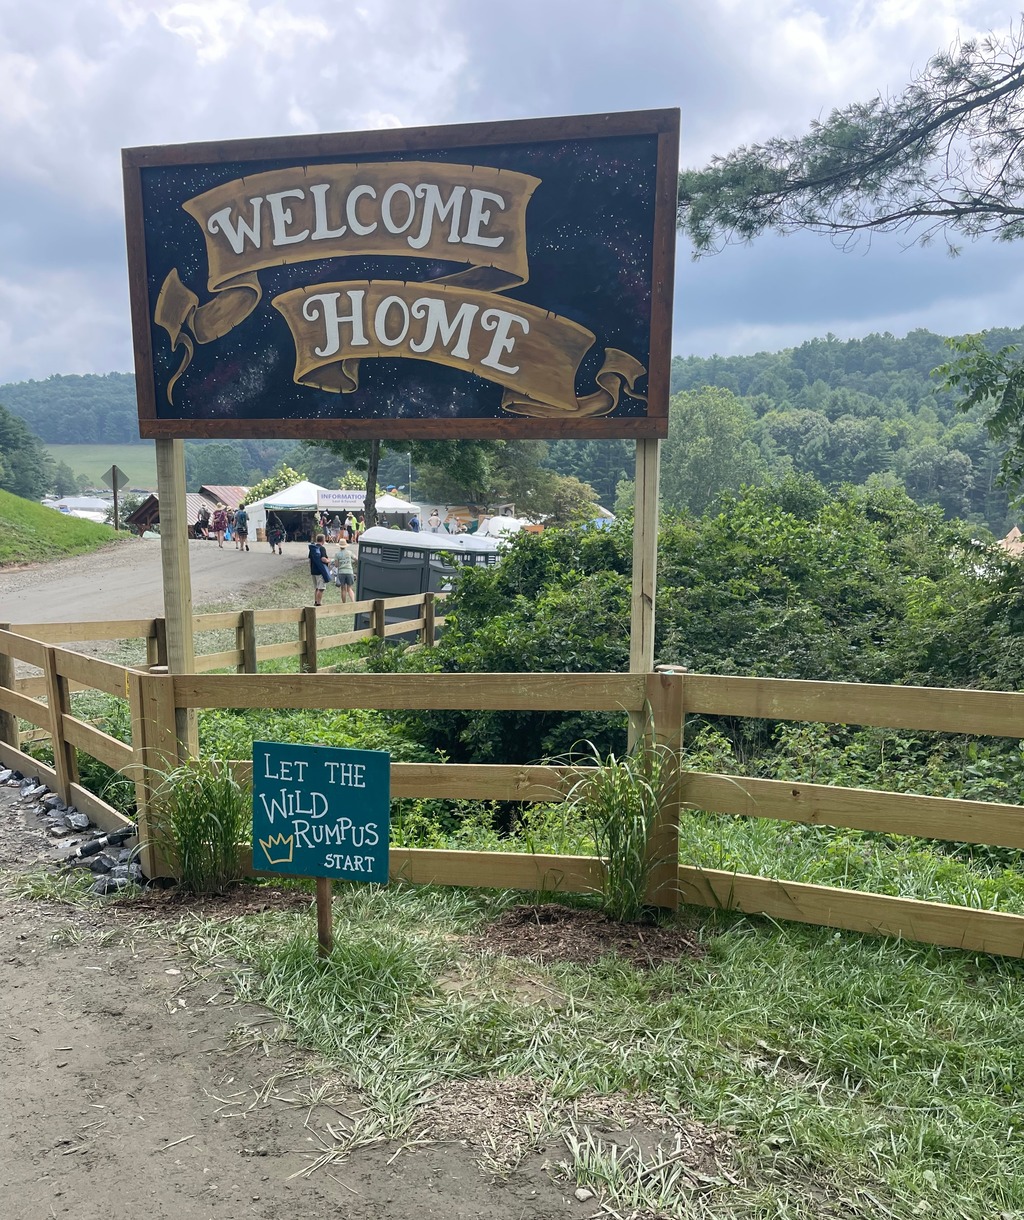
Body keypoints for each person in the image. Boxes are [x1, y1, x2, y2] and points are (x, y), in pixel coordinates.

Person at [308, 533, 331, 606]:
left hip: (313, 571)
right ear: (323, 540)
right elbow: (323, 559)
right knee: (321, 589)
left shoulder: (313, 548)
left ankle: (315, 601)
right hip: (320, 571)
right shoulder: (321, 548)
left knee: (317, 588)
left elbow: (310, 559)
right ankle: (318, 603)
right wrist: (329, 560)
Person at [331, 538, 356, 603]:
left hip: (342, 572)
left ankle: (344, 603)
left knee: (343, 589)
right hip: (349, 572)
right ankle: (353, 602)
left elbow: (336, 565)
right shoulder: (349, 553)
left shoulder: (337, 554)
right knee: (349, 588)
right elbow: (356, 558)